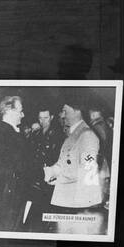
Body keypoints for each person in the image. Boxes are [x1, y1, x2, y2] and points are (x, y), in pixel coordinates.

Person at [44, 95, 106, 235]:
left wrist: (58, 178)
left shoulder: (87, 135)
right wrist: (49, 172)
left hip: (79, 204)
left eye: (65, 111)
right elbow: (62, 163)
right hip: (68, 201)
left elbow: (87, 173)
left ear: (77, 111)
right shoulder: (72, 135)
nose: (62, 115)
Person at [0, 95, 29, 233]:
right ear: (9, 111)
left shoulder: (6, 131)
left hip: (6, 191)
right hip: (8, 194)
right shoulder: (5, 133)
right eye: (20, 110)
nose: (23, 114)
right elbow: (18, 165)